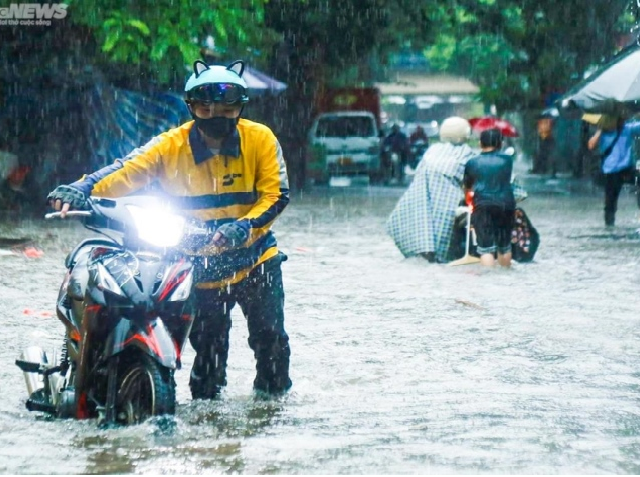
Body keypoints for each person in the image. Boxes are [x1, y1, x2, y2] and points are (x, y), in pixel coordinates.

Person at [47, 60, 292, 399]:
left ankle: (272, 408)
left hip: (256, 260)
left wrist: (244, 226)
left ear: (241, 107)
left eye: (227, 108)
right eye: (206, 108)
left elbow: (276, 194)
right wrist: (82, 188)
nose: (217, 116)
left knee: (271, 342)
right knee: (208, 357)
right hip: (198, 266)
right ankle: (207, 417)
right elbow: (125, 170)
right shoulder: (169, 145)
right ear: (191, 107)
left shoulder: (261, 139)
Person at [386, 116, 476, 263]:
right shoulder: (467, 154)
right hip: (450, 207)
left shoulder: (431, 152)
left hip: (423, 204)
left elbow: (418, 176)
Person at [463, 128, 516, 267]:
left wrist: (468, 200)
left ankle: (489, 278)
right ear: (500, 143)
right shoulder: (508, 160)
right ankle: (505, 274)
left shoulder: (472, 162)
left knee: (485, 247)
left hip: (482, 204)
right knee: (504, 245)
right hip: (506, 204)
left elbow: (467, 186)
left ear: (480, 143)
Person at [587, 115, 640, 227]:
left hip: (626, 168)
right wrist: (600, 131)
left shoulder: (627, 128)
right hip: (611, 171)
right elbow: (591, 145)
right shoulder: (603, 133)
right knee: (610, 201)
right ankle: (609, 224)